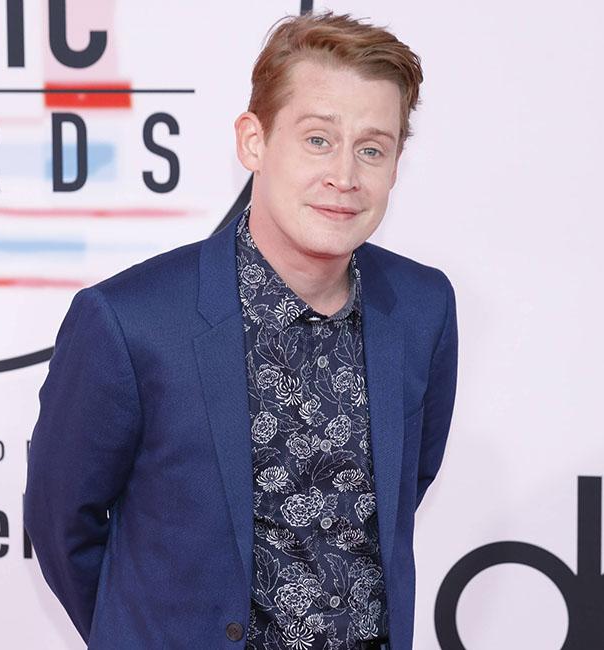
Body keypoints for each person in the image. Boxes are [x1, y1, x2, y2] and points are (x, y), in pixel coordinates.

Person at [24, 11, 458, 650]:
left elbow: (406, 486)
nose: (344, 176)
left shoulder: (423, 307)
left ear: (396, 165)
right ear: (253, 141)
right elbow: (62, 524)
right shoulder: (128, 320)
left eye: (372, 148)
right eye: (318, 139)